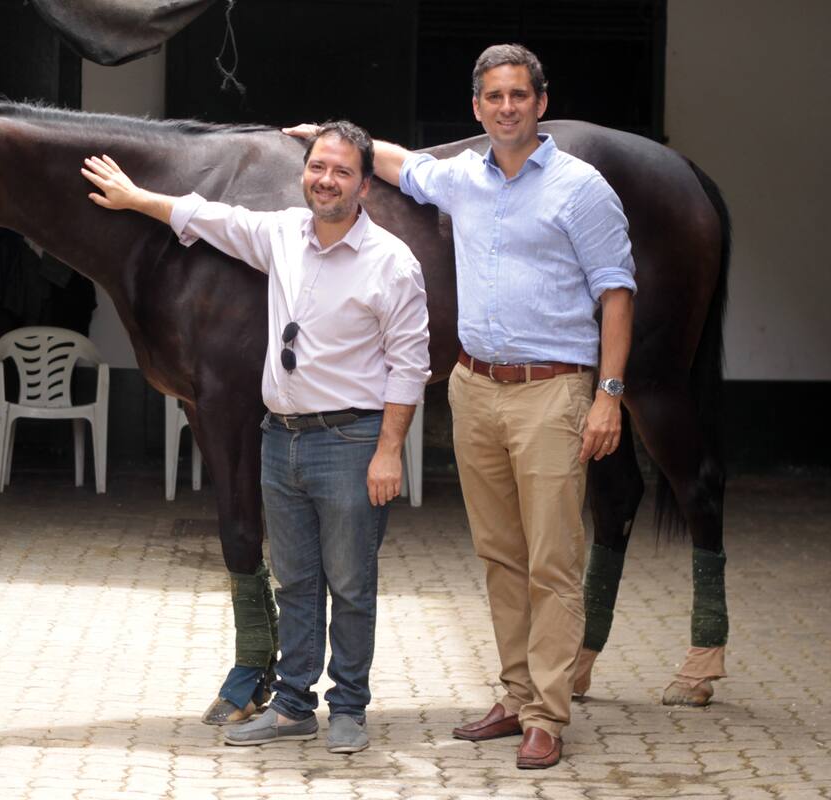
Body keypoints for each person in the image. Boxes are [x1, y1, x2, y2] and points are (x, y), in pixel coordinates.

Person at [290, 43, 635, 768]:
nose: (506, 107)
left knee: (553, 559)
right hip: (474, 389)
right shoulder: (461, 178)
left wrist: (609, 394)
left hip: (553, 390)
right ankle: (514, 697)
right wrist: (328, 141)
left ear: (540, 103)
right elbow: (396, 162)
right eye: (493, 97)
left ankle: (548, 712)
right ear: (476, 109)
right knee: (500, 555)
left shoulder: (581, 187)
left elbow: (616, 291)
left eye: (518, 95)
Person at [81, 121, 430, 753]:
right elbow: (206, 216)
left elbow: (410, 365)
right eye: (318, 167)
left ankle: (348, 707)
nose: (326, 180)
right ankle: (294, 705)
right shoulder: (283, 234)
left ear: (364, 185)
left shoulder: (391, 262)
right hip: (282, 440)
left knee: (351, 586)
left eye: (342, 171)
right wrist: (136, 199)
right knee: (294, 581)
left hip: (351, 442)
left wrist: (388, 451)